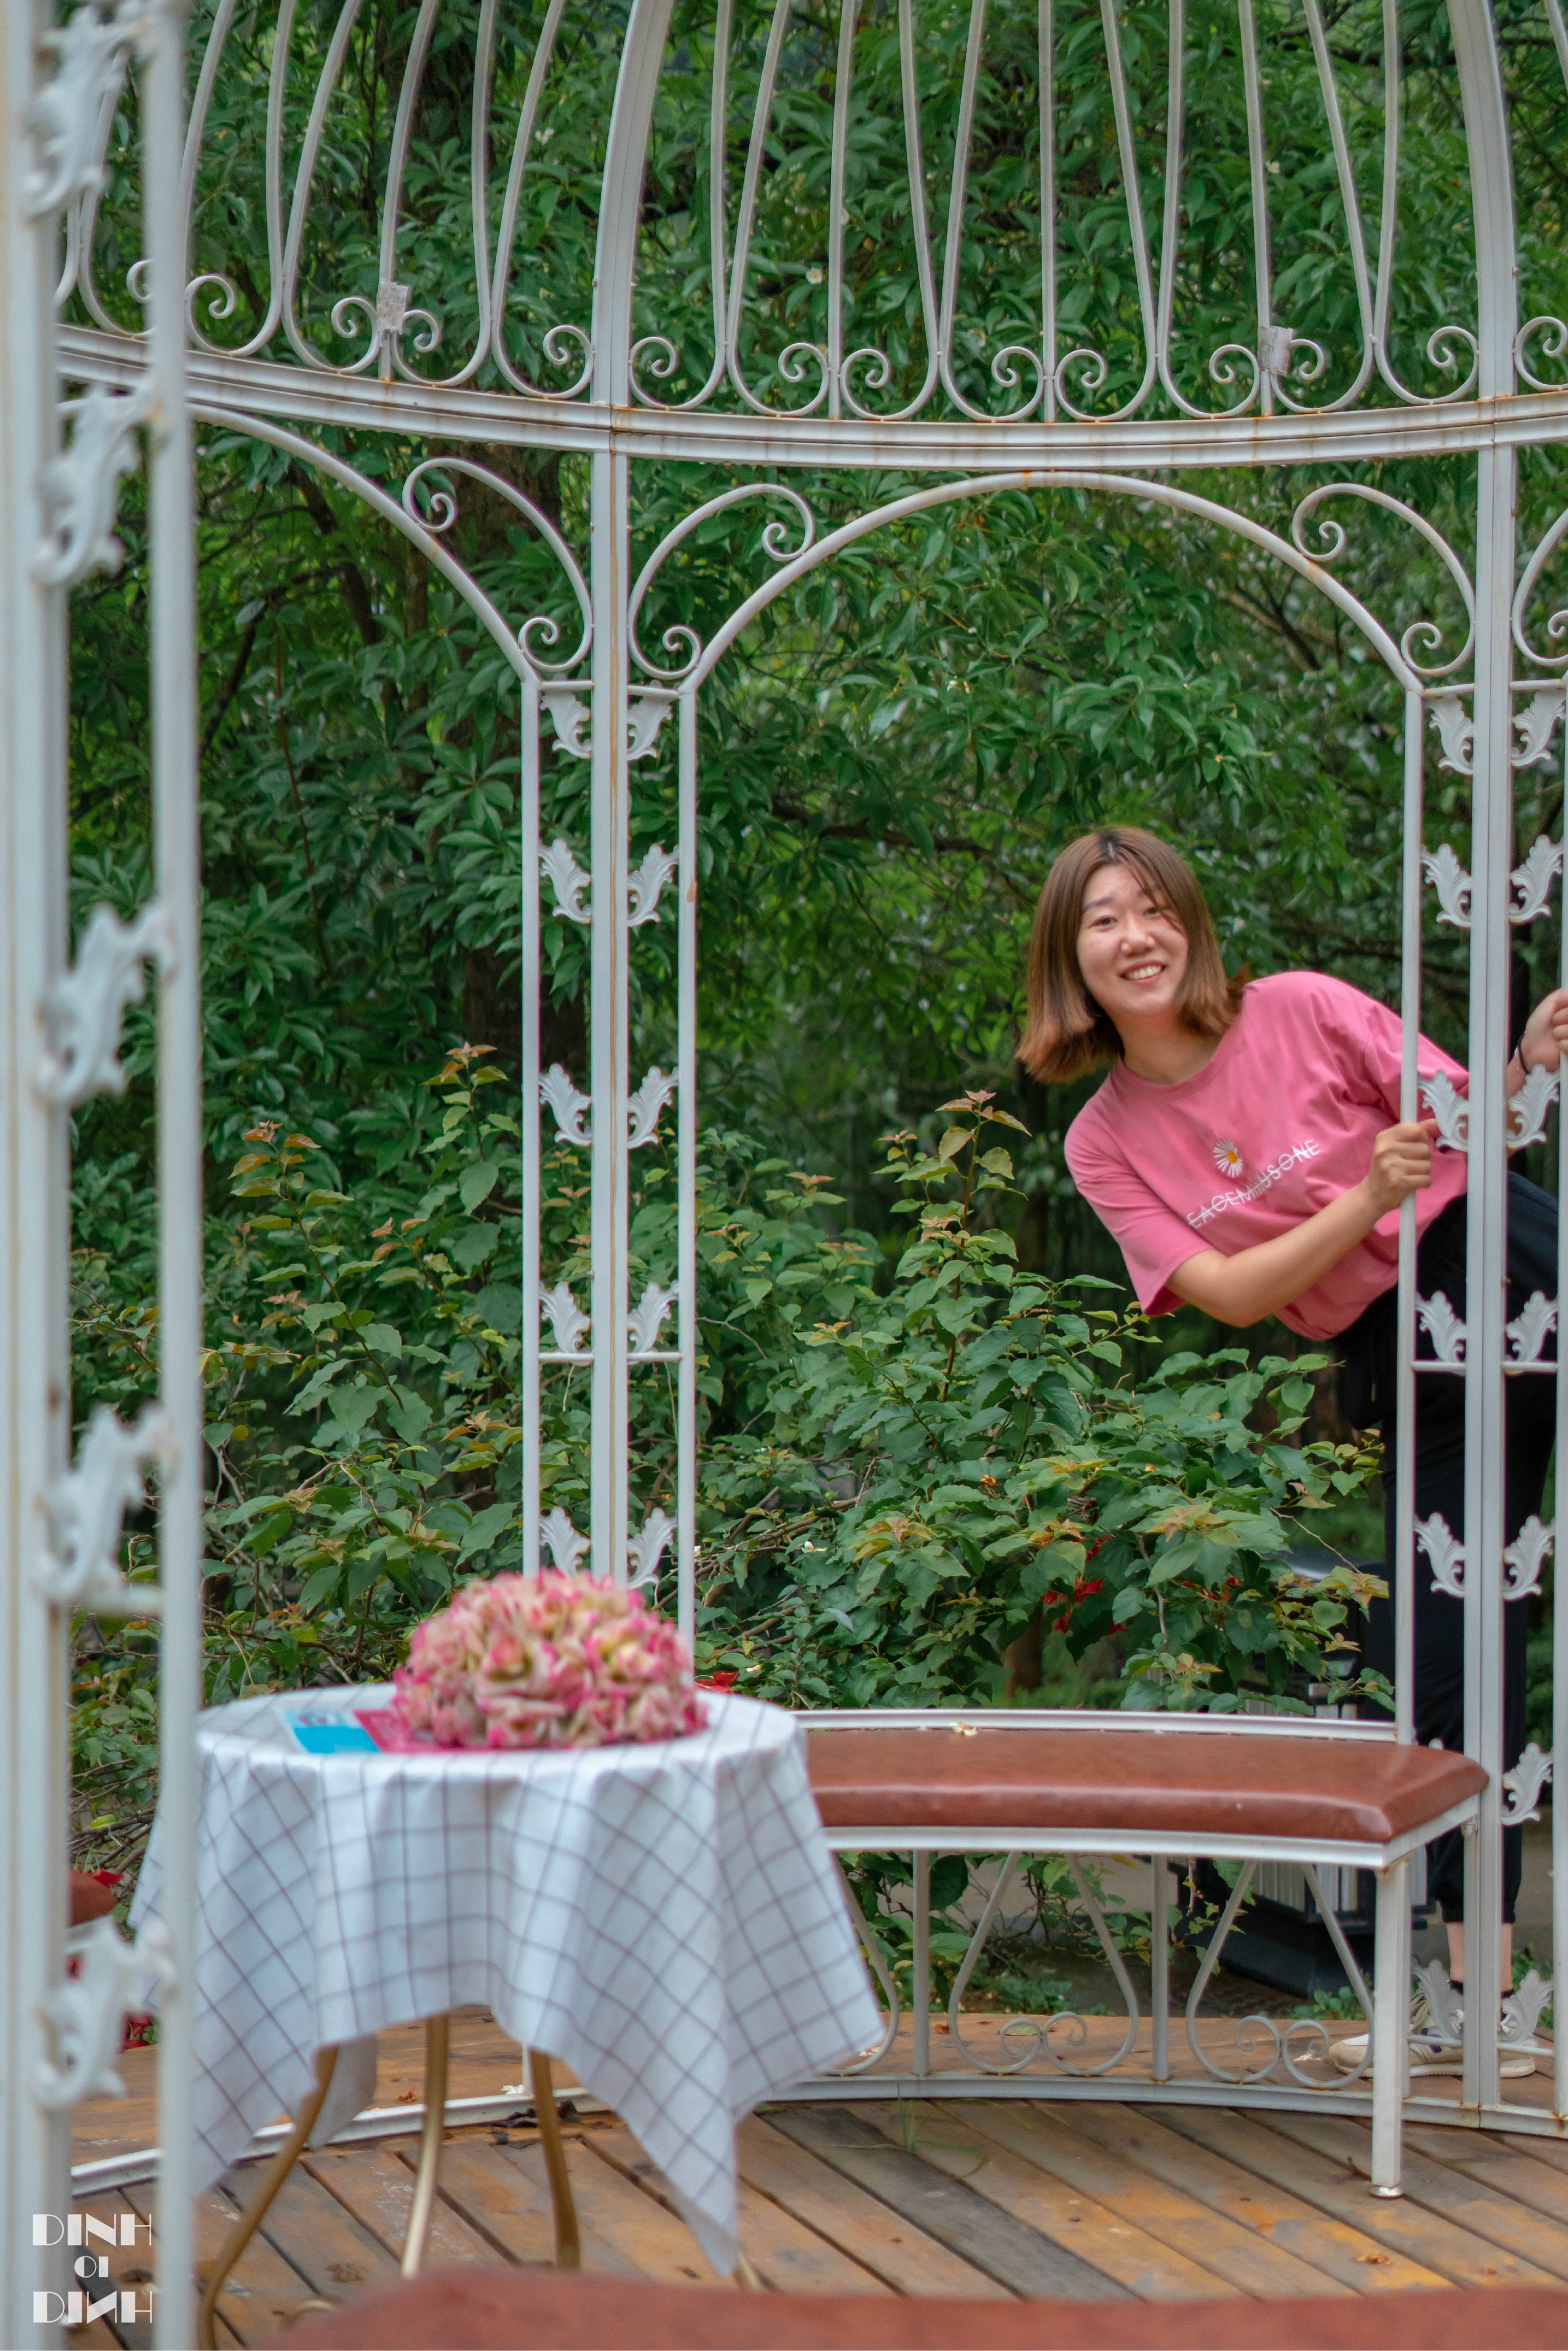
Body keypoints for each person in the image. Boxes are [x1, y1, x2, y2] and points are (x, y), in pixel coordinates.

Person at [1019, 824, 1568, 2064]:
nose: (1136, 936)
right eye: (1104, 919)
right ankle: (1475, 2011)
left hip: (1503, 1256)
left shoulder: (1303, 1008)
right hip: (1396, 1346)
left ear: (1190, 922)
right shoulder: (1102, 1139)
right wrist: (1366, 1198)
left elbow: (1472, 1129)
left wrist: (1524, 1069)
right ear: (1069, 956)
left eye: (1154, 908)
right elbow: (1227, 1293)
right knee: (1438, 1653)